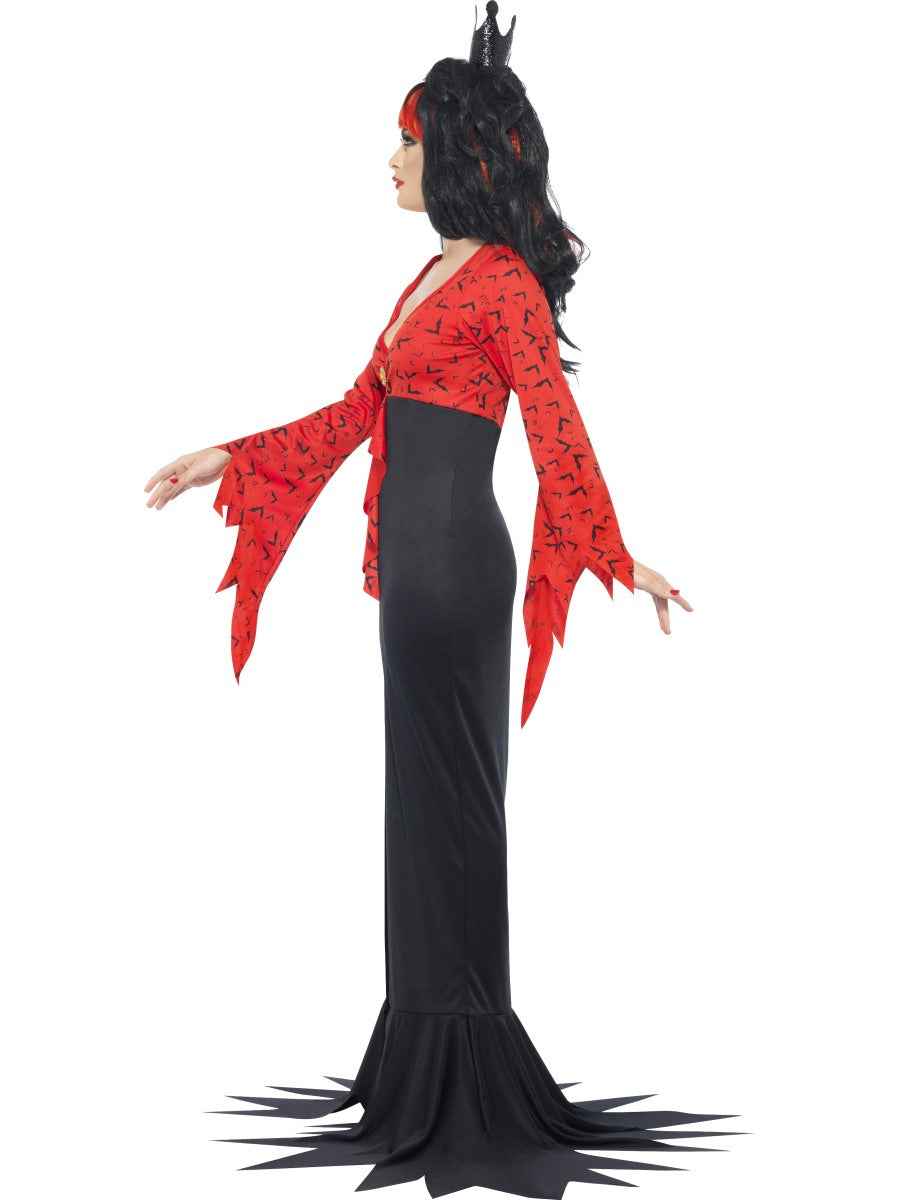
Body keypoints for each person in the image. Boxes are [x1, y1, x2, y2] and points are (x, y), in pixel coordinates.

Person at [144, 6, 739, 1196]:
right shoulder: (431, 277)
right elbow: (355, 411)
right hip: (410, 581)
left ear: (459, 152)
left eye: (409, 141)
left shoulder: (503, 283)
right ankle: (419, 1061)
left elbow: (554, 425)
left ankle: (470, 1081)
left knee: (459, 809)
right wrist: (231, 454)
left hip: (457, 574)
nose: (393, 159)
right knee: (418, 812)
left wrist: (614, 551)